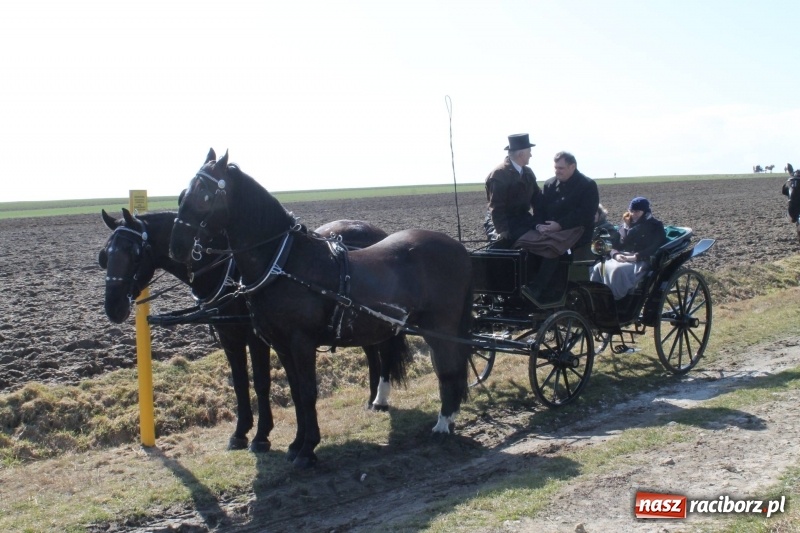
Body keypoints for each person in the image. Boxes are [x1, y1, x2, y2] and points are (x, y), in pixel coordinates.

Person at [514, 151, 599, 303]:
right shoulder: (549, 184)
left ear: (572, 166)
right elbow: (540, 209)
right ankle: (522, 285)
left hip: (577, 232)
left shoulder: (587, 185)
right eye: (556, 168)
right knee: (524, 243)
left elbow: (585, 214)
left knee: (552, 247)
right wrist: (539, 225)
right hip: (549, 230)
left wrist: (560, 225)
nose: (557, 171)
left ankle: (538, 289)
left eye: (561, 168)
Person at [590, 197, 667, 300]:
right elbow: (614, 245)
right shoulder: (625, 225)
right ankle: (596, 299)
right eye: (632, 211)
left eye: (637, 211)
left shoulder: (655, 226)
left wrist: (635, 257)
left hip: (641, 260)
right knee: (599, 267)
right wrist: (616, 255)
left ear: (645, 211)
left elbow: (655, 246)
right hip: (620, 257)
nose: (634, 214)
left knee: (617, 270)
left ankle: (614, 300)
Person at [484, 133, 540, 246]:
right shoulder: (499, 175)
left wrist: (541, 221)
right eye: (529, 151)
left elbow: (537, 199)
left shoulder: (528, 173)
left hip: (522, 218)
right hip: (501, 221)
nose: (531, 155)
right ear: (521, 154)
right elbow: (496, 207)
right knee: (502, 247)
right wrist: (502, 231)